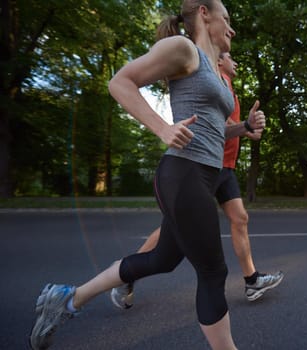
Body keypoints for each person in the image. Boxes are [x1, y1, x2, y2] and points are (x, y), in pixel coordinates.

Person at [29, 1, 264, 349]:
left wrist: (243, 127)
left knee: (163, 259)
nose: (232, 28)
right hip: (185, 175)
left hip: (204, 177)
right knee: (214, 273)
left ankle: (67, 298)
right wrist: (163, 129)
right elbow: (120, 82)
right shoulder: (184, 49)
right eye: (226, 18)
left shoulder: (216, 71)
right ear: (203, 13)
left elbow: (214, 130)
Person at [110, 52, 283, 309]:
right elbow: (219, 127)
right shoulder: (213, 81)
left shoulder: (228, 88)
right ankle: (127, 274)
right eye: (229, 57)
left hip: (225, 168)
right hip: (205, 166)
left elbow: (230, 128)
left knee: (239, 218)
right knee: (172, 229)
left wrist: (247, 127)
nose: (235, 61)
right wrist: (244, 127)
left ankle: (251, 279)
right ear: (219, 62)